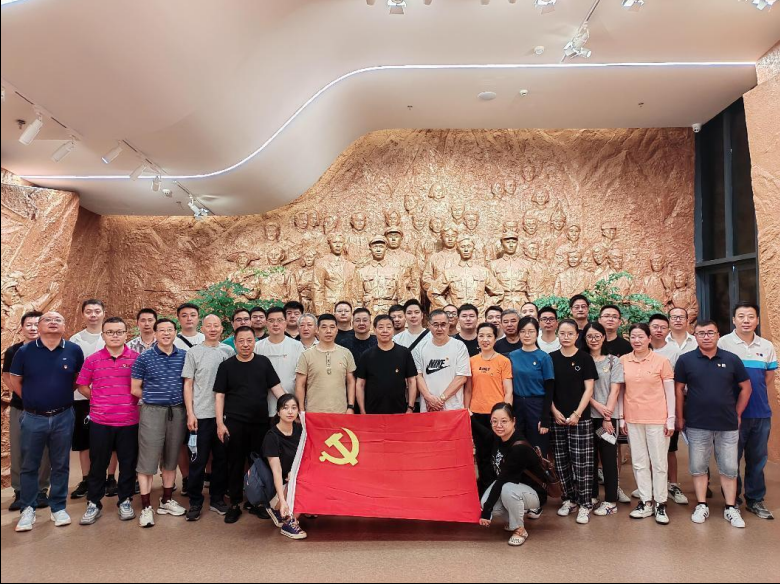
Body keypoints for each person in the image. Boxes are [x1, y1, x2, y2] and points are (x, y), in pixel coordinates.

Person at [10, 312, 84, 532]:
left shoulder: (74, 350)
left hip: (63, 415)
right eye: (48, 320)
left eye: (58, 320)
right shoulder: (25, 351)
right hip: (33, 417)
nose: (53, 322)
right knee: (29, 464)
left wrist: (58, 396)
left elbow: (76, 380)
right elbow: (15, 380)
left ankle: (58, 507)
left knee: (60, 464)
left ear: (65, 326)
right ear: (40, 325)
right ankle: (28, 508)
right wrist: (31, 400)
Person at [676, 320, 751, 528]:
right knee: (698, 466)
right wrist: (680, 417)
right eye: (701, 333)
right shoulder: (685, 360)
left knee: (729, 468)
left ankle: (731, 507)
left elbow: (746, 388)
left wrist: (738, 413)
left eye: (710, 332)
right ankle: (701, 505)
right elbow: (678, 390)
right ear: (695, 336)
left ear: (718, 335)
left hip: (727, 424)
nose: (706, 337)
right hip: (697, 423)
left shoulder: (731, 359)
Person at [215, 326, 285, 523]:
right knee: (235, 463)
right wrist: (220, 423)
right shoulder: (226, 366)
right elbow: (219, 396)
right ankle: (235, 503)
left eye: (249, 340)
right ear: (235, 343)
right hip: (234, 423)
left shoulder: (263, 362)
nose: (245, 345)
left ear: (255, 341)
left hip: (260, 423)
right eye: (241, 341)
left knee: (259, 463)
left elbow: (276, 389)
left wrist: (290, 408)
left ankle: (259, 503)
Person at [76, 317, 140, 525]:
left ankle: (125, 500)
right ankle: (94, 502)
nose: (115, 336)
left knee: (128, 463)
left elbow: (143, 385)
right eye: (110, 332)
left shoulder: (136, 358)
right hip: (100, 421)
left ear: (126, 334)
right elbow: (82, 385)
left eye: (119, 332)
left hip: (129, 420)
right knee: (98, 464)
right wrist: (98, 400)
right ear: (103, 335)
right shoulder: (93, 359)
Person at [718, 301, 777, 519]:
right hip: (732, 414)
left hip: (760, 413)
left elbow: (768, 377)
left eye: (751, 316)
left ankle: (755, 500)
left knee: (757, 459)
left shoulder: (766, 346)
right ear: (734, 320)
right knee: (730, 459)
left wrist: (752, 393)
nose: (746, 321)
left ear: (757, 320)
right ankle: (732, 500)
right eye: (741, 316)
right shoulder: (723, 343)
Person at [131, 318, 188, 527]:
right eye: (161, 330)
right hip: (152, 411)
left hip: (178, 411)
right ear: (155, 333)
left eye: (170, 330)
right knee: (147, 460)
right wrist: (155, 397)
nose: (166, 333)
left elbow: (188, 384)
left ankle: (166, 500)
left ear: (175, 332)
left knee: (171, 458)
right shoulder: (144, 358)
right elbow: (135, 388)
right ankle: (146, 507)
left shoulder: (184, 356)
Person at [619, 323, 675, 525]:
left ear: (649, 339)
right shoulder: (623, 360)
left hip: (657, 419)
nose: (637, 340)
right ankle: (645, 501)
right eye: (633, 337)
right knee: (639, 462)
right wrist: (622, 417)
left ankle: (660, 503)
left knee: (659, 463)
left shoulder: (662, 361)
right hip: (633, 419)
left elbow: (670, 392)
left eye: (641, 336)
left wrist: (671, 419)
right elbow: (621, 391)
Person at [543, 319, 597, 525]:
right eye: (562, 333)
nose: (566, 337)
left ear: (577, 335)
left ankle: (585, 503)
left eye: (570, 333)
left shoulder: (585, 358)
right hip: (557, 418)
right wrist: (554, 411)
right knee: (561, 460)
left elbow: (589, 389)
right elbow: (548, 390)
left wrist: (577, 414)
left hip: (580, 419)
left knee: (582, 462)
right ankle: (568, 499)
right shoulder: (551, 358)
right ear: (558, 334)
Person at [182, 314, 234, 521]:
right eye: (208, 326)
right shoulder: (193, 352)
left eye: (216, 326)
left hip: (223, 417)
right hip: (200, 416)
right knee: (198, 460)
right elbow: (188, 384)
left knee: (221, 460)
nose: (212, 329)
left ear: (222, 329)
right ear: (202, 329)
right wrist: (190, 413)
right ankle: (195, 502)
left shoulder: (228, 351)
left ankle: (217, 499)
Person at [475, 403, 547, 547]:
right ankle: (513, 519)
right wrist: (468, 416)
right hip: (512, 486)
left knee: (506, 490)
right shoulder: (499, 437)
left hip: (533, 493)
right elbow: (484, 433)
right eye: (494, 421)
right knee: (486, 501)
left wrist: (487, 511)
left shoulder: (518, 447)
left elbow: (502, 481)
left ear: (513, 421)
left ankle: (520, 529)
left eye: (504, 421)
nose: (498, 425)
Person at [3, 311, 49, 512]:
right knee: (18, 450)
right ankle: (20, 492)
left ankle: (41, 490)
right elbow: (7, 377)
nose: (33, 328)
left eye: (37, 324)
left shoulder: (51, 349)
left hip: (46, 409)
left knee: (45, 451)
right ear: (22, 328)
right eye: (28, 324)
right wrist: (25, 396)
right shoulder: (13, 351)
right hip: (20, 407)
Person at [582, 322, 623, 517]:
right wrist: (596, 406)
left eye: (597, 336)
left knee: (608, 458)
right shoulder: (582, 359)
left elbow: (615, 390)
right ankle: (592, 496)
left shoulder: (613, 361)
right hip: (586, 418)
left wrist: (607, 416)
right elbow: (581, 390)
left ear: (603, 337)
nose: (593, 340)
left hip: (607, 420)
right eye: (589, 336)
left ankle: (610, 500)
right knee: (589, 458)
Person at [467, 323, 512, 491]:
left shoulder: (503, 361)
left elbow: (508, 391)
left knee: (498, 454)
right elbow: (468, 389)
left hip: (497, 416)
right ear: (477, 338)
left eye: (489, 336)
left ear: (495, 338)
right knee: (482, 454)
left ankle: (499, 490)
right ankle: (484, 491)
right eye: (481, 336)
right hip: (476, 414)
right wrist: (467, 410)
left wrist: (506, 414)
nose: (485, 339)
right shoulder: (471, 361)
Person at [648, 313, 687, 505]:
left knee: (670, 449)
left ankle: (672, 485)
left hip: (666, 408)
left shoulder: (674, 352)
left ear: (668, 330)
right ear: (649, 328)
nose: (659, 330)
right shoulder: (641, 347)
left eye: (663, 327)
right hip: (645, 407)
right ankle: (650, 486)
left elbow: (678, 384)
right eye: (655, 327)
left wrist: (677, 414)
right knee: (648, 450)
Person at [69, 299, 106, 500]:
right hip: (81, 397)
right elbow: (73, 371)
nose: (93, 315)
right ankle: (86, 478)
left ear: (103, 313)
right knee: (84, 441)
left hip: (108, 399)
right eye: (89, 311)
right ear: (83, 314)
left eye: (97, 311)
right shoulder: (75, 340)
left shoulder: (110, 335)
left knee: (109, 441)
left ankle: (109, 478)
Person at [262, 395, 307, 539]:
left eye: (294, 408)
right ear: (278, 412)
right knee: (298, 480)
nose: (290, 412)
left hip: (294, 480)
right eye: (285, 408)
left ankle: (289, 510)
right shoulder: (271, 436)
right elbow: (276, 471)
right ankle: (288, 521)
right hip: (278, 488)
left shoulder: (300, 431)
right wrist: (282, 501)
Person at [508, 317, 554, 456]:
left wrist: (545, 418)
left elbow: (550, 388)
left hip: (537, 406)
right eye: (523, 331)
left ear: (537, 333)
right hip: (517, 405)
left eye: (531, 331)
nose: (526, 335)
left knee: (537, 448)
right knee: (517, 447)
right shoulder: (512, 356)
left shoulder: (544, 357)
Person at [355, 314, 417, 414]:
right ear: (374, 330)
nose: (385, 331)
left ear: (393, 330)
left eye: (388, 327)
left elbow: (412, 381)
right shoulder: (366, 355)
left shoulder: (404, 353)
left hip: (399, 411)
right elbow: (360, 384)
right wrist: (362, 410)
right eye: (380, 327)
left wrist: (410, 407)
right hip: (372, 412)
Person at [295, 314, 357, 414]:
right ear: (317, 330)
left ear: (337, 330)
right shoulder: (306, 355)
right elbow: (300, 384)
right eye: (324, 327)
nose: (328, 331)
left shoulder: (346, 353)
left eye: (332, 327)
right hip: (313, 412)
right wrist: (301, 410)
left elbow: (351, 381)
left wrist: (350, 406)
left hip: (341, 411)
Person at [413, 310, 471, 412]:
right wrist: (429, 398)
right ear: (429, 325)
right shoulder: (420, 348)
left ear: (448, 325)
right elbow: (418, 376)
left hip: (453, 408)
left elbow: (461, 377)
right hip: (428, 407)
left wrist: (440, 399)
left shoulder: (459, 346)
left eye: (443, 324)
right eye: (435, 325)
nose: (439, 329)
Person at [255, 307, 305, 422]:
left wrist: (299, 408)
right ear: (266, 323)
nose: (275, 324)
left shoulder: (297, 346)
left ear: (286, 322)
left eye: (279, 320)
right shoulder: (258, 347)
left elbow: (301, 380)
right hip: (264, 407)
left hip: (290, 409)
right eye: (271, 321)